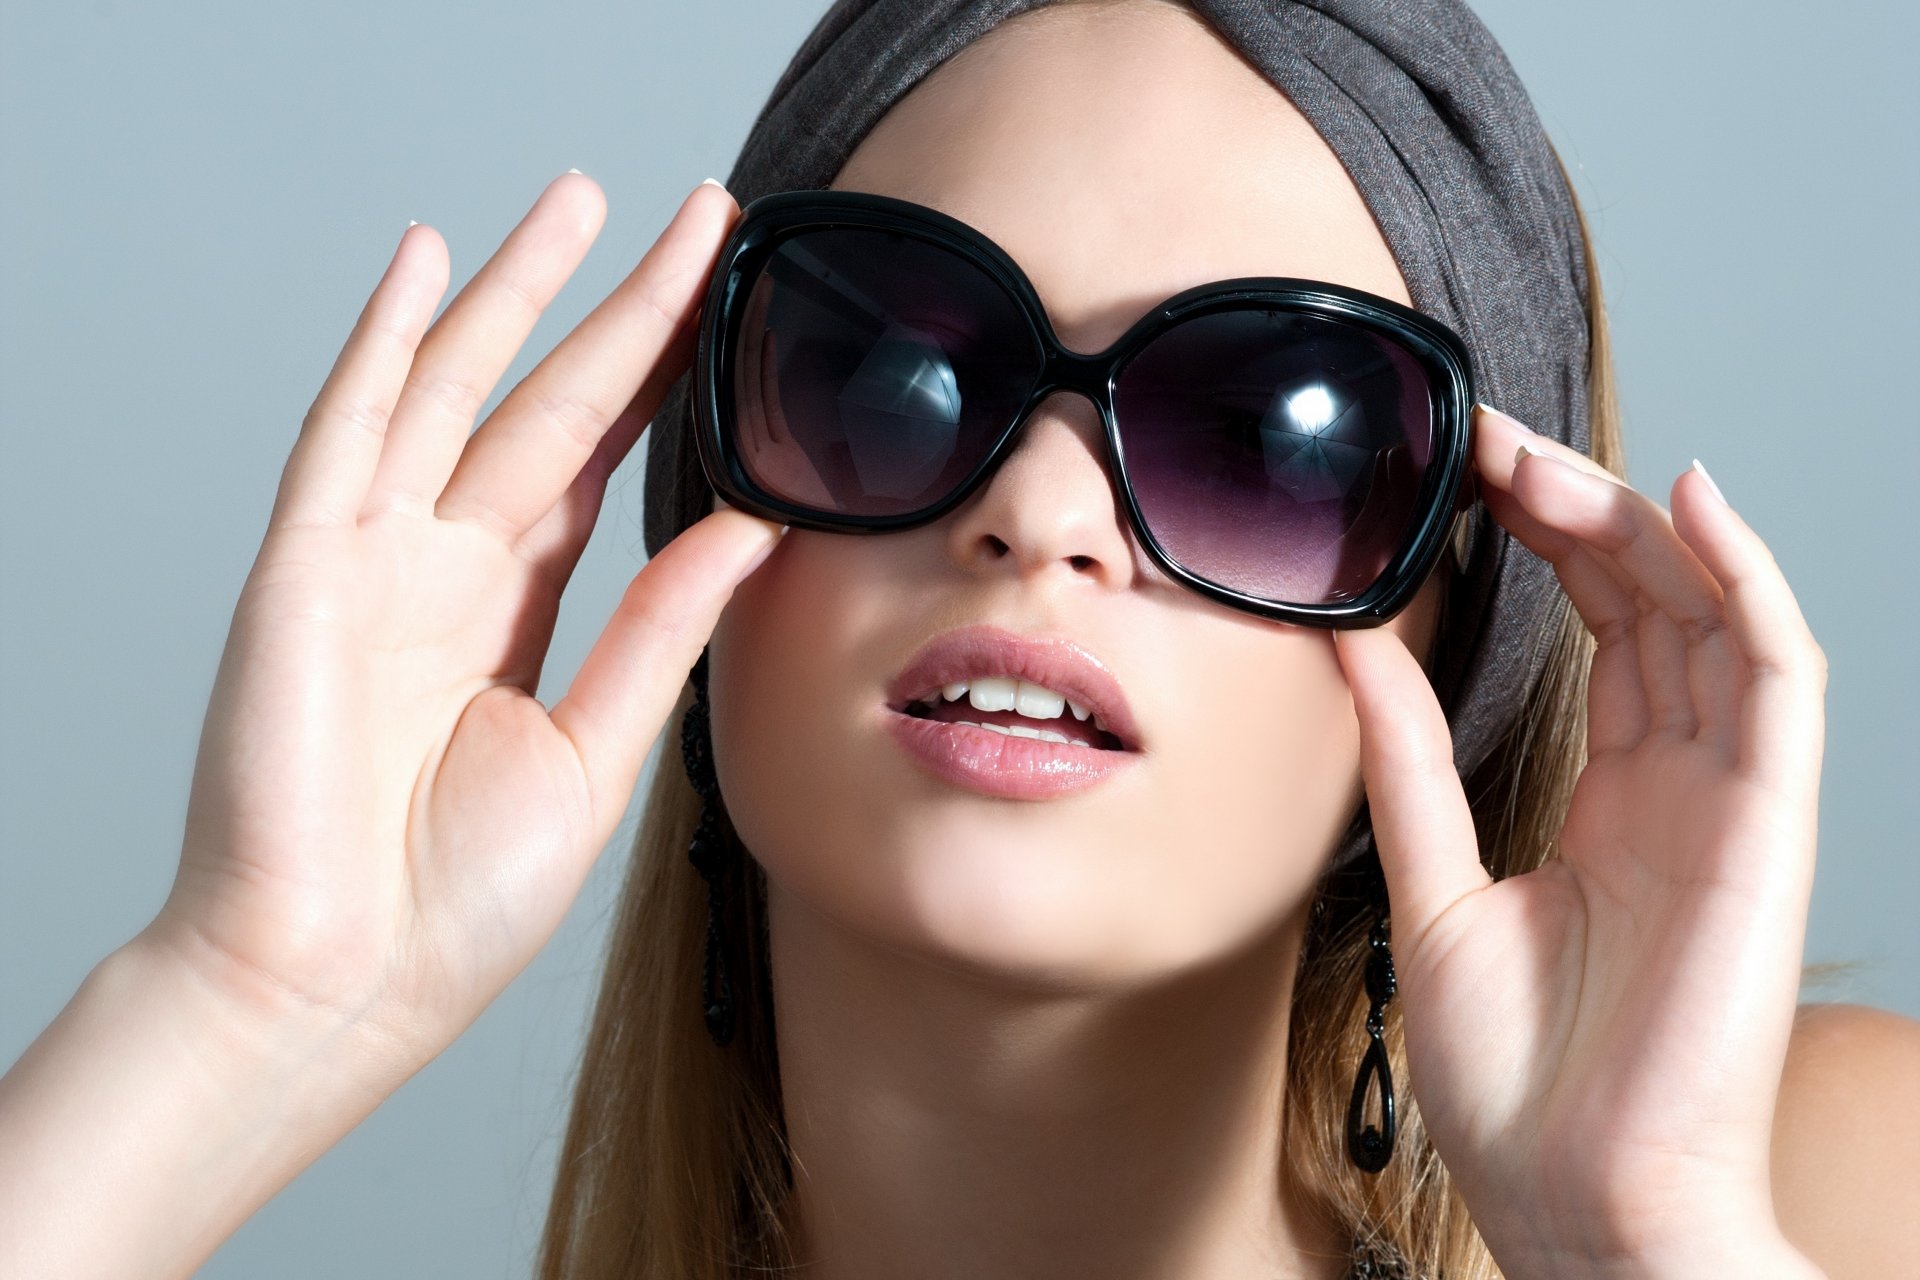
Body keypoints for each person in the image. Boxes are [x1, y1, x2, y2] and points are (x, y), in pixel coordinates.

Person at [1, 0, 1915, 1277]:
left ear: (1453, 632)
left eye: (1265, 434)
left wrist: (1644, 1243)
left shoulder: (1833, 1193)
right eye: (886, 374)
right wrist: (245, 1006)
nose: (1041, 511)